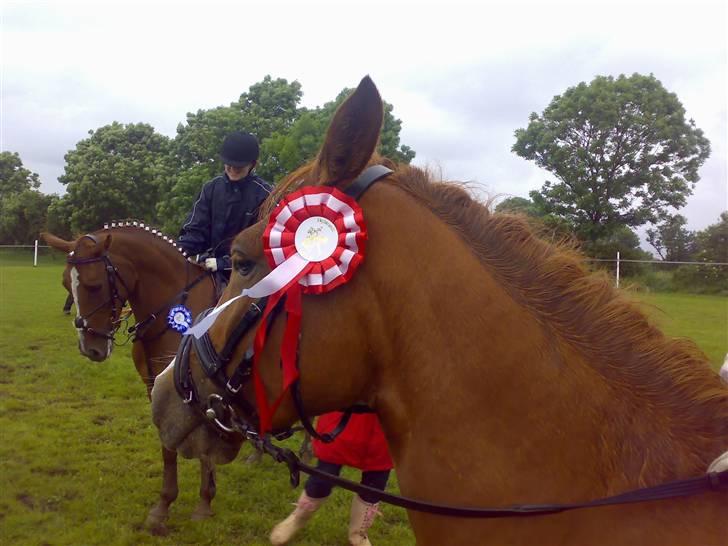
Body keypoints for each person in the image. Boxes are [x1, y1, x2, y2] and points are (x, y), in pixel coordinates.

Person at [270, 412, 393, 546]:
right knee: (323, 478)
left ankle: (358, 534)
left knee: (375, 484)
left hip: (384, 424)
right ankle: (298, 518)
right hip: (346, 416)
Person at [177, 131, 271, 290]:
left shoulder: (266, 195)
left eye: (239, 166)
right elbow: (195, 232)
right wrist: (176, 252)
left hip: (246, 275)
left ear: (253, 164)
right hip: (208, 267)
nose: (233, 169)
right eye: (229, 164)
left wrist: (224, 263)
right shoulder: (211, 188)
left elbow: (261, 245)